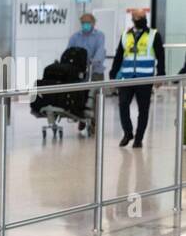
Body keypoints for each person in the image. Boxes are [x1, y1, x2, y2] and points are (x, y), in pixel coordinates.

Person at [109, 8, 165, 148]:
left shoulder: (153, 35)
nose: (140, 19)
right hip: (127, 78)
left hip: (144, 78)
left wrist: (160, 75)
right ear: (132, 19)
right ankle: (128, 133)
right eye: (137, 17)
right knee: (123, 105)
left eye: (142, 16)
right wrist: (112, 75)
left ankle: (138, 139)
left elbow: (161, 56)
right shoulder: (125, 35)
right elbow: (118, 57)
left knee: (143, 109)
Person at [68, 12, 107, 80]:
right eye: (83, 22)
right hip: (79, 71)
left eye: (88, 22)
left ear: (93, 23)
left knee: (96, 87)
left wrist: (92, 62)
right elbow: (68, 52)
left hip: (95, 70)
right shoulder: (75, 37)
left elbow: (100, 50)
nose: (85, 24)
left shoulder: (99, 35)